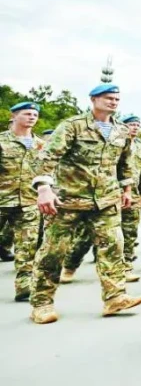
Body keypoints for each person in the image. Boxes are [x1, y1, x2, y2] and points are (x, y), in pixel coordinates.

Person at [30, 83, 141, 324]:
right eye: (108, 98)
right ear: (93, 99)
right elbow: (47, 157)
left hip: (106, 201)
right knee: (53, 252)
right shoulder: (73, 126)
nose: (113, 102)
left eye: (116, 99)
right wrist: (43, 188)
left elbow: (125, 163)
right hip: (68, 200)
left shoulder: (121, 131)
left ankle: (115, 297)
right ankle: (41, 303)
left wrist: (126, 189)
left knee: (113, 247)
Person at [0, 102, 46, 301]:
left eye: (34, 114)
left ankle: (24, 286)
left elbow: (48, 172)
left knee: (27, 246)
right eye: (27, 114)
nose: (32, 117)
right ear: (14, 116)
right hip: (2, 199)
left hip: (29, 202)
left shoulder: (41, 145)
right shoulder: (2, 141)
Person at [119, 114, 141, 282]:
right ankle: (71, 263)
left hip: (133, 195)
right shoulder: (115, 142)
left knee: (129, 232)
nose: (135, 127)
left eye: (138, 125)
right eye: (132, 124)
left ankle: (125, 267)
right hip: (111, 193)